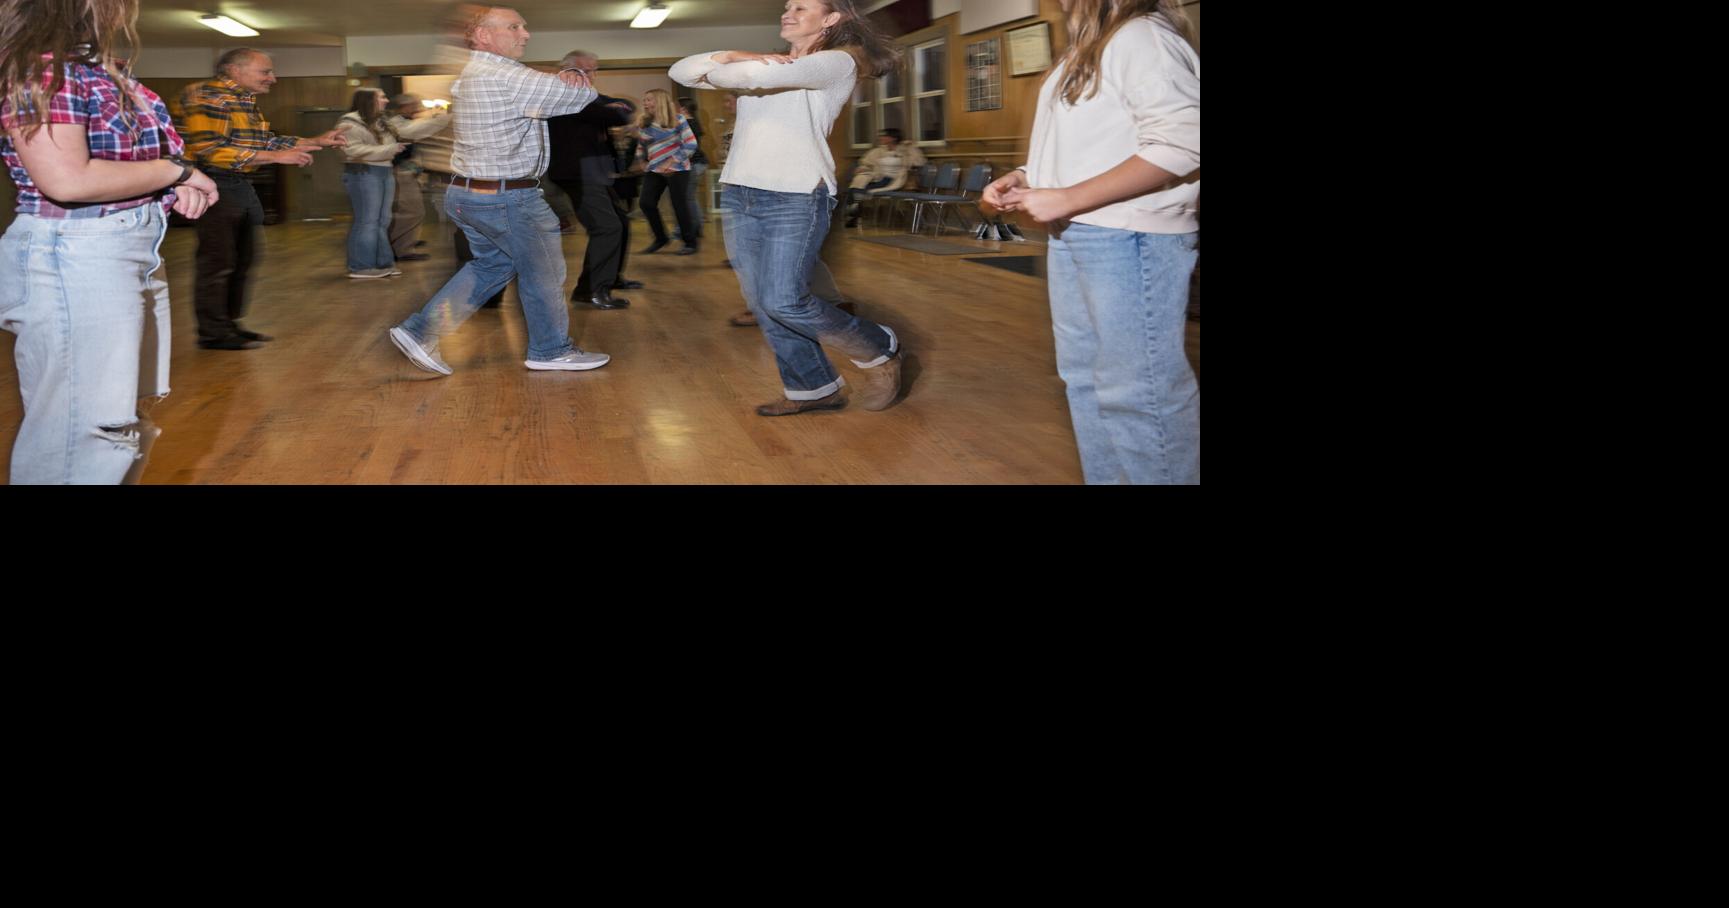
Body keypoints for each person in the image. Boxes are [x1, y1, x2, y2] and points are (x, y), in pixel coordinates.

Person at [1, 0, 220, 483]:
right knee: (85, 428)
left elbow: (131, 158)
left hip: (128, 248)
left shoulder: (100, 72)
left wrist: (169, 178)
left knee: (120, 415)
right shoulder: (43, 71)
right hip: (77, 251)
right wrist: (174, 171)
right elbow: (67, 180)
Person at [981, 0, 1199, 484]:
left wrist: (1069, 197)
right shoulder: (1085, 47)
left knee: (1139, 392)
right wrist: (1027, 177)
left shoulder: (1142, 35)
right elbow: (1092, 143)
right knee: (1085, 381)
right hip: (1080, 232)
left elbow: (1186, 139)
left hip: (1130, 235)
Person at [670, 0, 905, 416]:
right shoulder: (772, 63)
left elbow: (748, 76)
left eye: (802, 6)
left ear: (831, 19)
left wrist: (736, 62)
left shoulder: (836, 62)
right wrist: (733, 56)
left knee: (784, 300)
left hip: (796, 194)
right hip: (742, 192)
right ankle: (813, 388)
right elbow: (682, 71)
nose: (788, 12)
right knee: (762, 303)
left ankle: (878, 345)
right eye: (787, 5)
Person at [387, 4, 610, 377]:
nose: (526, 33)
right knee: (543, 272)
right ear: (483, 36)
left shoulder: (474, 72)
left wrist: (561, 77)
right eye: (515, 26)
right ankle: (551, 350)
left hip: (469, 195)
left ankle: (420, 331)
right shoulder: (505, 73)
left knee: (492, 265)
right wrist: (574, 73)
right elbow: (580, 97)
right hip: (508, 197)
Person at [177, 47, 346, 349]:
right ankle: (214, 332)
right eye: (265, 72)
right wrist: (276, 157)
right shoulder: (207, 96)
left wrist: (314, 141)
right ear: (234, 70)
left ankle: (229, 323)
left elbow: (265, 140)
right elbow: (209, 150)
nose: (273, 78)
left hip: (237, 182)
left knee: (243, 258)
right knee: (218, 261)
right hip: (211, 181)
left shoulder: (243, 99)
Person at [547, 49, 638, 309]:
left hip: (592, 171)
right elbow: (618, 113)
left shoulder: (587, 96)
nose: (591, 75)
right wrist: (615, 107)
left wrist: (616, 106)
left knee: (619, 221)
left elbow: (625, 106)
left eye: (594, 70)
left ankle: (606, 280)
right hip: (578, 172)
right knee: (607, 227)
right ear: (567, 72)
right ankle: (593, 290)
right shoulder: (568, 94)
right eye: (585, 70)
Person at [336, 87, 404, 279]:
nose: (386, 100)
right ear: (368, 100)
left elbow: (405, 133)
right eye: (381, 97)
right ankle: (361, 267)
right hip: (363, 173)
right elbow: (352, 150)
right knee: (367, 221)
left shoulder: (380, 121)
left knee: (382, 221)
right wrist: (389, 149)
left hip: (383, 171)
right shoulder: (349, 123)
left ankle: (383, 263)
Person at [384, 92, 451, 261]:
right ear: (405, 106)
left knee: (410, 211)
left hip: (405, 172)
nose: (418, 108)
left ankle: (406, 242)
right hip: (398, 172)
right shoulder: (396, 123)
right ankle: (401, 248)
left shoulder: (403, 122)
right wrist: (446, 118)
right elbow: (416, 131)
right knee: (412, 211)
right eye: (414, 104)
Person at [632, 88, 699, 256]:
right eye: (645, 100)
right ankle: (661, 238)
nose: (645, 103)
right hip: (655, 168)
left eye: (649, 99)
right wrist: (641, 160)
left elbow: (691, 144)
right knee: (646, 203)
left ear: (660, 101)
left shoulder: (678, 119)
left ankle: (690, 242)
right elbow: (641, 145)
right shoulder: (644, 122)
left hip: (678, 169)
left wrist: (671, 161)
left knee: (679, 205)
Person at [844, 127, 924, 227]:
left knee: (857, 191)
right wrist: (863, 168)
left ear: (893, 138)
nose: (881, 138)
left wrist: (911, 148)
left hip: (895, 180)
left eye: (884, 136)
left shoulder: (905, 150)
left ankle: (853, 217)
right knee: (854, 189)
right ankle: (852, 218)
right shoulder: (879, 151)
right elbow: (866, 162)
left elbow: (918, 162)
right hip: (879, 177)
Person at [677, 96, 707, 241]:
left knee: (687, 198)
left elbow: (690, 148)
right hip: (696, 163)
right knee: (689, 197)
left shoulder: (688, 124)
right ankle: (696, 227)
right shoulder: (692, 122)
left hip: (693, 164)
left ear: (683, 109)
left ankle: (693, 228)